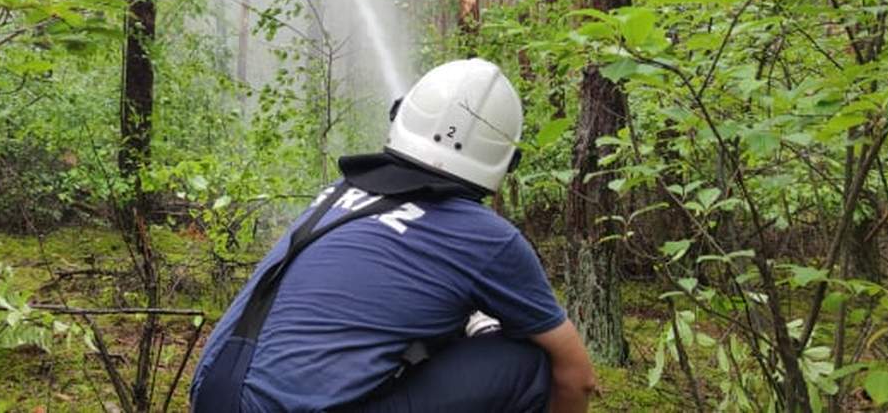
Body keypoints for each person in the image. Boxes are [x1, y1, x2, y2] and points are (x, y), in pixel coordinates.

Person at [190, 58, 597, 412]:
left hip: (211, 396)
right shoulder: (486, 237)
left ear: (401, 116)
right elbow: (577, 376)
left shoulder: (338, 193)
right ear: (505, 161)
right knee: (533, 366)